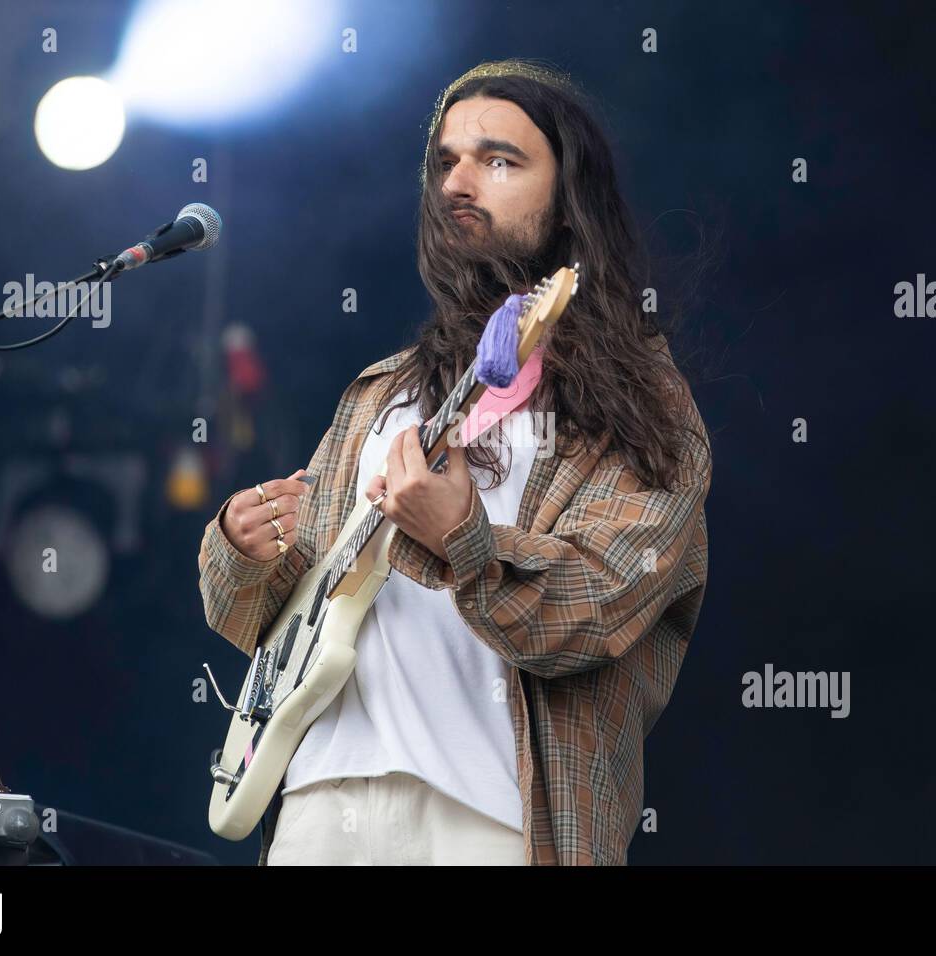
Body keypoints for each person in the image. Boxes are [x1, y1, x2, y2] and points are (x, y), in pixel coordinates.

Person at [198, 59, 711, 865]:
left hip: (496, 814)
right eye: (446, 161)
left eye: (499, 160)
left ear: (570, 200)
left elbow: (599, 611)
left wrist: (465, 536)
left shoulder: (643, 404)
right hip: (321, 800)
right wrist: (242, 547)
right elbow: (282, 617)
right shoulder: (381, 396)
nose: (458, 182)